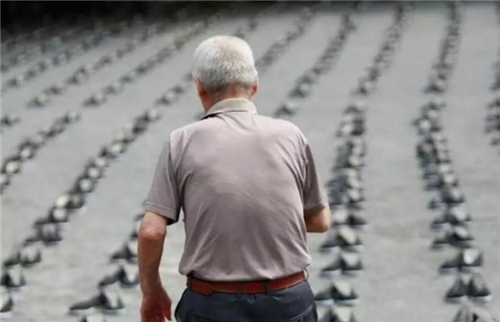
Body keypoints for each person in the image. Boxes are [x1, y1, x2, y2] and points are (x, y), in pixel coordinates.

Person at [138, 35, 330, 322]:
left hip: (212, 306)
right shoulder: (291, 135)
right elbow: (320, 221)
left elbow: (151, 232)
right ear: (255, 84)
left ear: (199, 87)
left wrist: (152, 293)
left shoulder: (181, 142)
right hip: (288, 303)